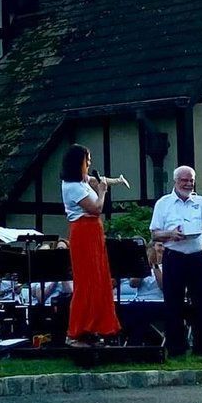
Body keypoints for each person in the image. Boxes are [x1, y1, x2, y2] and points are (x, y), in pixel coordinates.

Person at [149, 164, 202, 357]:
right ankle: (176, 349)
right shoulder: (164, 203)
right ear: (176, 181)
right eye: (184, 180)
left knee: (201, 303)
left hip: (196, 257)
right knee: (173, 304)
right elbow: (154, 234)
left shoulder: (200, 202)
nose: (187, 184)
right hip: (174, 256)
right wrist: (170, 234)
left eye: (191, 181)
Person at [59, 144, 121, 347]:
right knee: (86, 282)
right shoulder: (72, 186)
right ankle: (76, 331)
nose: (90, 163)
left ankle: (93, 327)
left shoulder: (82, 181)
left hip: (93, 232)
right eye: (87, 159)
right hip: (84, 231)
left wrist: (115, 181)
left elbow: (96, 180)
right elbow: (96, 208)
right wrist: (102, 191)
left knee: (99, 280)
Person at [119, 241, 167, 347]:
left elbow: (163, 286)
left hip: (159, 302)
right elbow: (133, 284)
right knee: (125, 311)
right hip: (140, 301)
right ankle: (137, 343)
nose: (162, 248)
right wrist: (145, 266)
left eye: (164, 245)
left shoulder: (168, 265)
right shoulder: (141, 266)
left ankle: (135, 344)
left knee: (138, 313)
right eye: (159, 245)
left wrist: (155, 266)